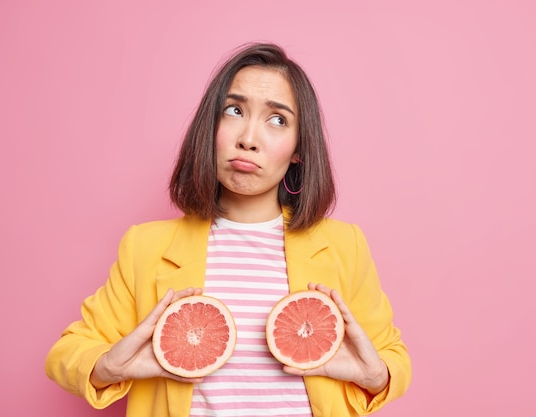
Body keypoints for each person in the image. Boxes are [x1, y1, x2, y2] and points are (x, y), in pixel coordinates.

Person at [45, 42, 412, 417]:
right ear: (211, 127)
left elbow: (392, 356)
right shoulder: (146, 246)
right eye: (234, 111)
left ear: (299, 148)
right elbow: (68, 351)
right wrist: (107, 367)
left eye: (277, 120)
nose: (248, 139)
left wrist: (376, 375)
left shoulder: (343, 245)